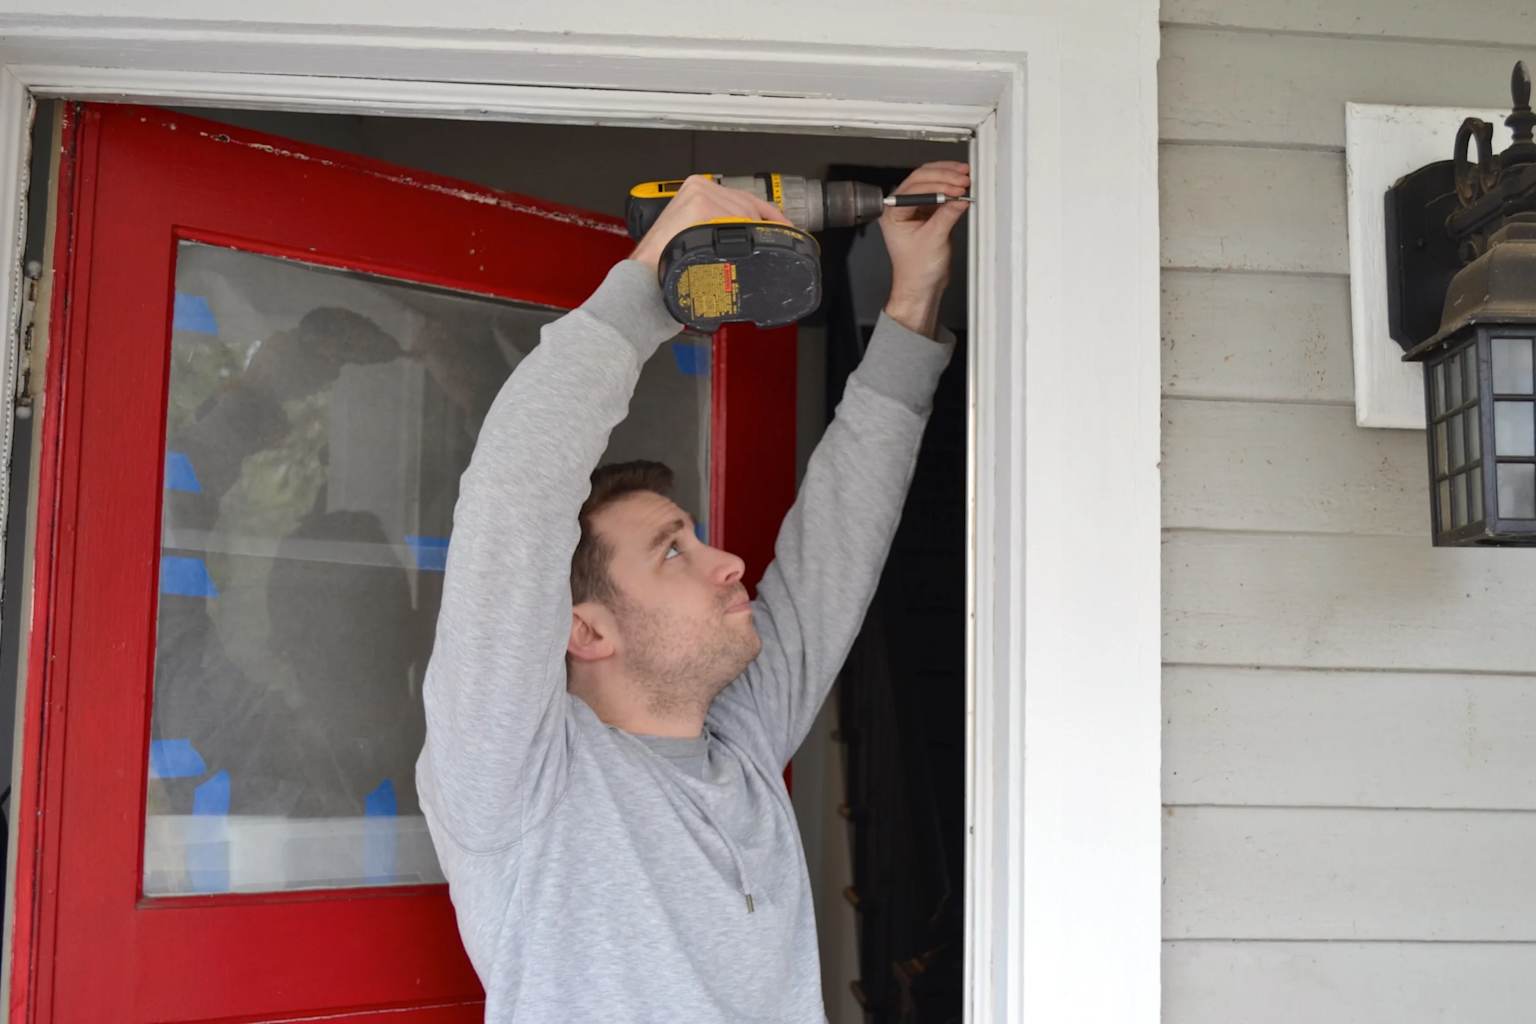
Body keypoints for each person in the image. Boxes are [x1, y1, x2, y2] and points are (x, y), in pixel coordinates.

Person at [415, 161, 970, 1022]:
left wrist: (912, 303)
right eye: (674, 552)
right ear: (586, 629)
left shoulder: (739, 744)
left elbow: (835, 547)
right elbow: (514, 499)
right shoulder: (521, 782)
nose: (729, 564)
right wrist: (648, 287)